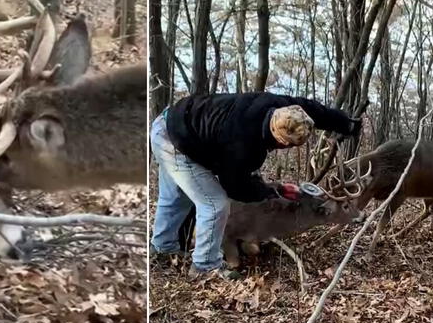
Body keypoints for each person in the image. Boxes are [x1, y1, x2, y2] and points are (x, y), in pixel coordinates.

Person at [150, 92, 361, 280]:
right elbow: (235, 187)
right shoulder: (242, 143)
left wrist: (345, 124)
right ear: (280, 141)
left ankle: (163, 249)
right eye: (288, 145)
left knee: (176, 196)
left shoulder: (280, 107)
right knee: (214, 204)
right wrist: (273, 191)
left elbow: (313, 109)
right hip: (176, 141)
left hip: (172, 122)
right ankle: (205, 266)